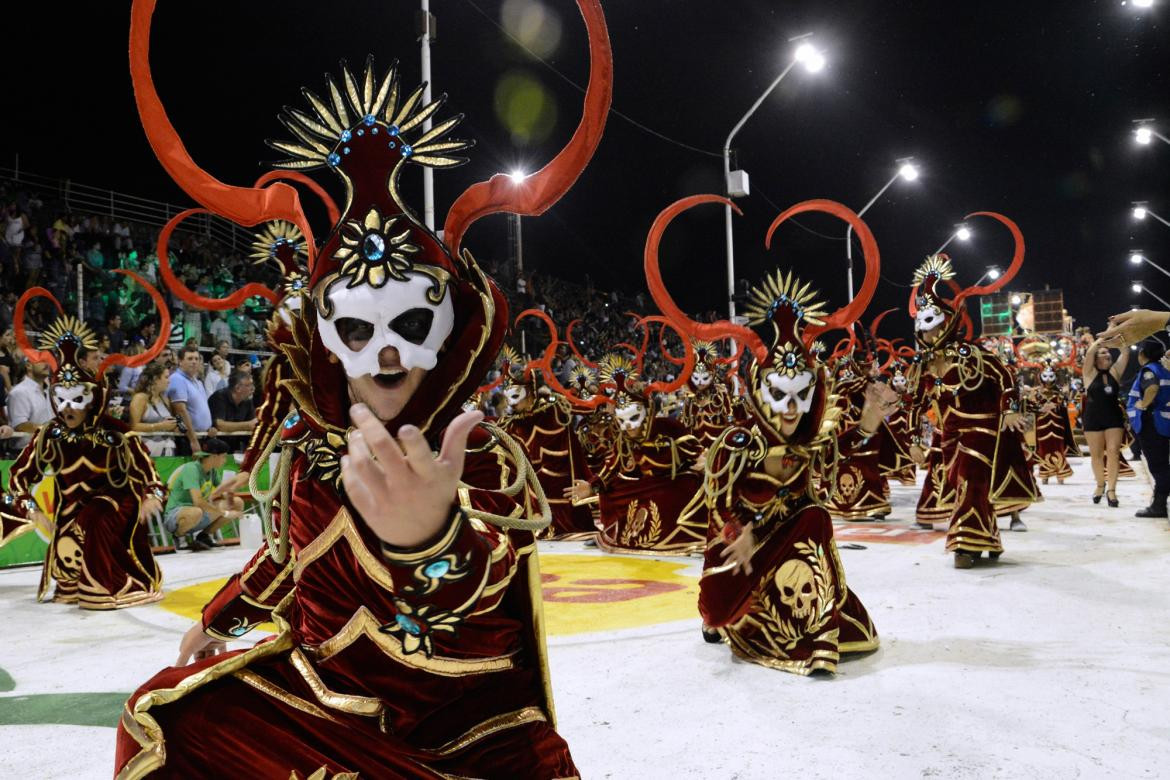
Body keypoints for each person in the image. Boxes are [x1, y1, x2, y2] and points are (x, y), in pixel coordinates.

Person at [117, 8, 610, 774]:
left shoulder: (478, 453)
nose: (384, 351)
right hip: (330, 698)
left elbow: (481, 591)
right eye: (356, 329)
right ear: (324, 341)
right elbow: (292, 558)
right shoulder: (318, 451)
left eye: (409, 321)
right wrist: (220, 617)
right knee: (166, 718)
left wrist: (427, 538)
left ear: (451, 333)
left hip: (465, 730)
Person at [644, 194, 884, 673]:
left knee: (815, 515)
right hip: (743, 542)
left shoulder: (811, 437)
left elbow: (844, 459)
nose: (791, 408)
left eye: (800, 393)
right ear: (759, 388)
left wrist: (870, 421)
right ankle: (730, 612)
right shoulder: (738, 442)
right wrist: (741, 532)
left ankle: (815, 635)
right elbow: (717, 502)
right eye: (780, 394)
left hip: (792, 541)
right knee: (716, 610)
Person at [0, 284, 169, 609]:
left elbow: (150, 476)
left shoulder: (116, 433)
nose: (67, 408)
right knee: (69, 565)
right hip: (69, 513)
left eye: (76, 399)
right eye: (60, 399)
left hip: (114, 504)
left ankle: (114, 584)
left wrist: (152, 497)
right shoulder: (49, 435)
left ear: (92, 398)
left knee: (93, 518)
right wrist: (32, 511)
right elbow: (19, 478)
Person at [904, 237, 1038, 569]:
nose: (928, 334)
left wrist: (1008, 410)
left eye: (932, 326)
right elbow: (914, 403)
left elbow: (1005, 376)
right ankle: (988, 538)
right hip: (949, 435)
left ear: (947, 322)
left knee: (972, 480)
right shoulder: (923, 366)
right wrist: (912, 442)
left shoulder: (972, 354)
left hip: (982, 429)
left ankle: (965, 544)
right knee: (961, 485)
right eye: (923, 327)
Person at [162, 437, 242, 551]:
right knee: (197, 511)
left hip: (198, 513)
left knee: (237, 503)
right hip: (176, 515)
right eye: (223, 456)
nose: (225, 460)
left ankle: (204, 536)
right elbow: (198, 501)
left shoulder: (212, 471)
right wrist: (225, 513)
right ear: (214, 456)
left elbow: (222, 493)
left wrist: (230, 494)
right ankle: (179, 536)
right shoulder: (191, 469)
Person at [1081, 339, 1128, 506]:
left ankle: (1112, 490)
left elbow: (1125, 353)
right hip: (1093, 417)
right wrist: (1101, 340)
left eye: (1108, 352)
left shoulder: (1115, 371)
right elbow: (1088, 353)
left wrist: (1116, 335)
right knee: (1097, 455)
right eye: (1102, 352)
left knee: (1113, 452)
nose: (1107, 354)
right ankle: (1100, 485)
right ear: (1096, 358)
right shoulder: (1088, 373)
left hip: (1113, 417)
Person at [1127, 339, 1170, 518]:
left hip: (1152, 424)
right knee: (1162, 464)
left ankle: (1158, 506)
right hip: (1163, 423)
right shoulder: (1164, 370)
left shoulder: (1149, 371)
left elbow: (1151, 388)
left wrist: (1143, 405)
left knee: (1158, 466)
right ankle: (1158, 502)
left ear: (1142, 354)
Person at [167, 345, 216, 453]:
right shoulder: (177, 379)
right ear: (180, 361)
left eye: (196, 359)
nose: (194, 362)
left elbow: (201, 409)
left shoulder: (198, 382)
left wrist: (209, 427)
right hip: (188, 439)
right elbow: (180, 410)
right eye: (190, 358)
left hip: (204, 437)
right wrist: (193, 440)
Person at [129, 362, 179, 457]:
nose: (169, 381)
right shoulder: (140, 398)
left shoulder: (165, 399)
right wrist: (160, 426)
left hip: (168, 449)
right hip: (147, 451)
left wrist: (175, 427)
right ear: (156, 379)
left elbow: (170, 424)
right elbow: (133, 426)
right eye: (166, 377)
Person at [6, 360, 53, 450]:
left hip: (50, 449)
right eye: (41, 361)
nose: (46, 364)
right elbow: (21, 425)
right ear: (28, 365)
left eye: (47, 360)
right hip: (25, 452)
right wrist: (50, 430)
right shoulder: (19, 392)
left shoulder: (51, 391)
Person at [208, 369, 257, 446]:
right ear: (237, 388)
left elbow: (253, 423)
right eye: (248, 385)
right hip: (215, 446)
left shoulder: (247, 400)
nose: (253, 388)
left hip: (235, 445)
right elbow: (220, 425)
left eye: (252, 384)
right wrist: (247, 425)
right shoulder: (219, 397)